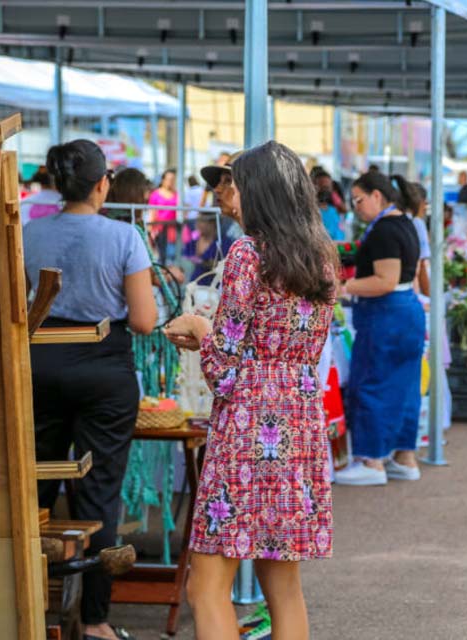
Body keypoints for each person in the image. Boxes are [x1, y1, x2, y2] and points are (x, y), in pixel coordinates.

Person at [162, 141, 336, 639]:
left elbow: (226, 367)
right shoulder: (321, 255)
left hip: (249, 422)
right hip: (299, 418)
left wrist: (198, 327)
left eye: (235, 184)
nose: (227, 194)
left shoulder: (246, 253)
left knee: (207, 584)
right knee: (282, 584)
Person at [24, 140, 157, 640]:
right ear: (103, 184)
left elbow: (15, 305)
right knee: (99, 492)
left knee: (33, 487)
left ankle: (25, 606)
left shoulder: (30, 233)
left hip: (38, 365)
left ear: (58, 184)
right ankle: (95, 621)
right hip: (104, 371)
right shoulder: (124, 237)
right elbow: (143, 320)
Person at [335, 171, 425, 486]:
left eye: (359, 200)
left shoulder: (385, 230)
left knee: (370, 384)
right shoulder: (407, 224)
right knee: (404, 388)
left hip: (387, 316)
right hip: (407, 312)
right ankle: (404, 458)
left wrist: (345, 287)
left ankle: (371, 461)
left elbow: (385, 280)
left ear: (377, 196)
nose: (356, 207)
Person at [394, 175, 432, 297]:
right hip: (411, 289)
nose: (425, 207)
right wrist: (428, 296)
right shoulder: (416, 223)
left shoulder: (396, 221)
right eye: (425, 203)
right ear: (420, 202)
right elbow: (421, 266)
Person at [148, 168, 179, 261]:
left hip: (173, 229)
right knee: (161, 255)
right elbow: (152, 213)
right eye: (169, 179)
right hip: (159, 229)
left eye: (173, 179)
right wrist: (150, 231)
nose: (171, 182)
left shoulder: (176, 194)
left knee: (172, 254)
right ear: (163, 180)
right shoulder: (155, 194)